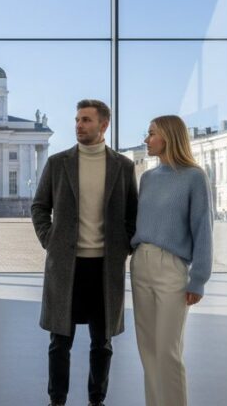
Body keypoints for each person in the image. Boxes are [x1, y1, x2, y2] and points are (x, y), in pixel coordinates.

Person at [32, 99, 138, 406]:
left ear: (104, 125)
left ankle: (96, 399)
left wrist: (123, 246)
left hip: (105, 268)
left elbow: (133, 213)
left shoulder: (123, 166)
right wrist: (48, 238)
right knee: (59, 341)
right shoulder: (58, 163)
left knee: (102, 343)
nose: (79, 125)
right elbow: (40, 206)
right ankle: (57, 400)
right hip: (66, 265)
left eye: (87, 120)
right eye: (78, 119)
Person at [129, 115, 213, 406]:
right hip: (140, 264)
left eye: (151, 133)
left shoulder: (194, 177)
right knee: (148, 350)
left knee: (168, 351)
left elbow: (203, 228)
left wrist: (198, 279)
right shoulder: (148, 178)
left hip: (172, 268)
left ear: (168, 136)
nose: (146, 139)